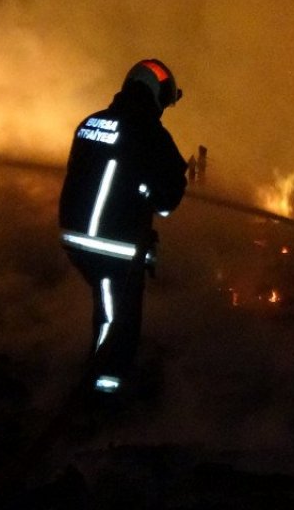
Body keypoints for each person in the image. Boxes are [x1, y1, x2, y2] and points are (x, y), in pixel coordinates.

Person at [59, 59, 187, 399]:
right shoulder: (150, 134)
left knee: (107, 306)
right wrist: (151, 191)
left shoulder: (91, 123)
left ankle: (100, 378)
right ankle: (103, 391)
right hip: (113, 245)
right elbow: (167, 201)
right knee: (119, 320)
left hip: (75, 237)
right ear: (155, 94)